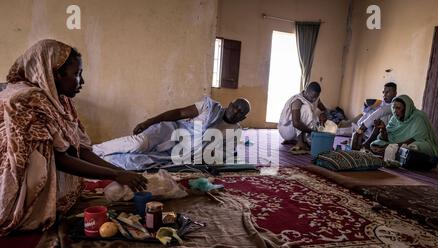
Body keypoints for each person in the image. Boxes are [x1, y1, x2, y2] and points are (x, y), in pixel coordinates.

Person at [0, 39, 147, 236]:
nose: (82, 82)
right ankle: (29, 209)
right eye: (77, 75)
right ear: (54, 74)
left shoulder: (59, 99)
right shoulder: (26, 100)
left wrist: (120, 172)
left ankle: (50, 200)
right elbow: (60, 160)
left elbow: (80, 150)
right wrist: (115, 175)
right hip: (13, 176)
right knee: (38, 159)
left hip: (46, 165)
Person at [92, 97, 251, 170]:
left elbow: (224, 153)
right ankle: (93, 151)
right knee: (137, 144)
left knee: (137, 163)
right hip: (169, 132)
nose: (235, 112)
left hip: (178, 154)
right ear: (230, 104)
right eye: (235, 107)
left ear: (242, 118)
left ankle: (100, 162)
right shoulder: (209, 108)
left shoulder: (235, 131)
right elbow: (179, 113)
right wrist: (148, 122)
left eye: (240, 112)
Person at [370, 95, 438, 161]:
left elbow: (415, 139)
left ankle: (394, 152)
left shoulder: (418, 117)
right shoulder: (394, 118)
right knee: (377, 143)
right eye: (393, 108)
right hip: (395, 144)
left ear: (407, 108)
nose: (395, 111)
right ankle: (396, 153)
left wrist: (391, 147)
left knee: (415, 147)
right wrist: (383, 129)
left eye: (398, 108)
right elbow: (387, 138)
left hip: (413, 143)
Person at [278, 82, 327, 153]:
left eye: (316, 97)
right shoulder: (297, 100)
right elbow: (296, 123)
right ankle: (300, 142)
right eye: (312, 97)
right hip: (287, 130)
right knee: (306, 109)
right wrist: (312, 132)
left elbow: (324, 109)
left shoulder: (316, 99)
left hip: (295, 131)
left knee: (316, 115)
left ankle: (296, 140)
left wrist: (323, 114)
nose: (314, 99)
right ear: (306, 92)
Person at [351, 82, 397, 150]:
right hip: (372, 133)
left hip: (386, 135)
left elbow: (381, 112)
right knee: (357, 127)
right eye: (384, 92)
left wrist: (362, 128)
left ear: (395, 93)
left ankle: (366, 144)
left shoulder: (395, 105)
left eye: (387, 92)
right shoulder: (382, 104)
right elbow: (366, 117)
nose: (384, 95)